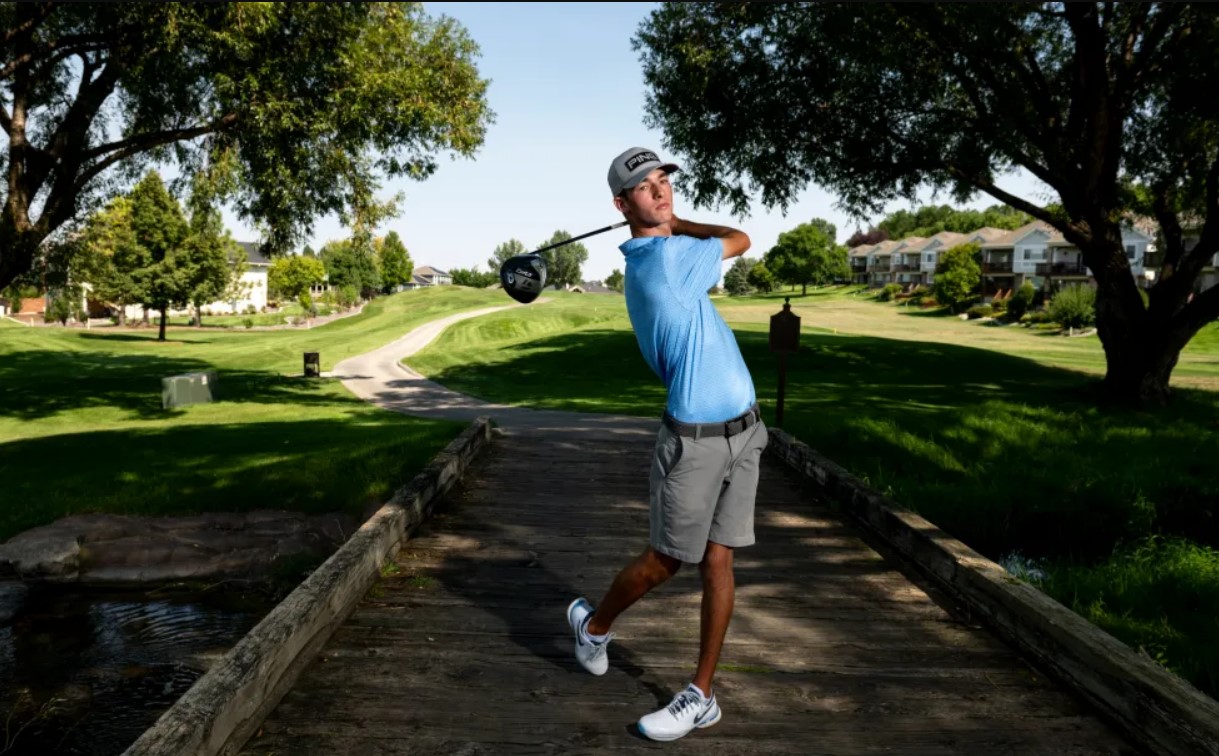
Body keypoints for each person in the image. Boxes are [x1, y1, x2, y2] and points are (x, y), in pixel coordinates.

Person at [566, 147, 769, 742]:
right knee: (666, 560)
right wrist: (681, 225)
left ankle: (701, 694)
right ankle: (595, 626)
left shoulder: (658, 256)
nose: (661, 193)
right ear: (621, 203)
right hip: (697, 442)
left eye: (663, 183)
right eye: (646, 187)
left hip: (745, 432)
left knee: (719, 561)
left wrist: (672, 226)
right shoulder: (668, 261)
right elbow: (741, 236)